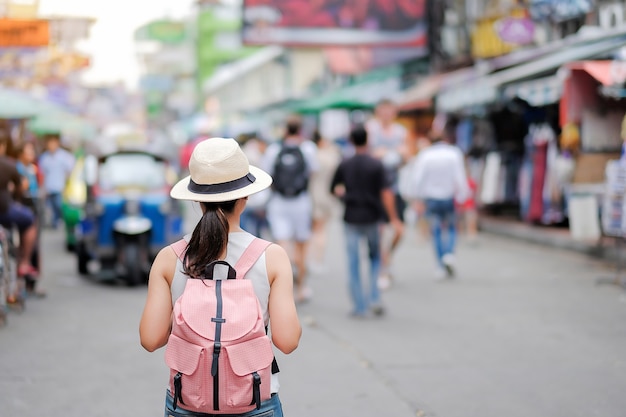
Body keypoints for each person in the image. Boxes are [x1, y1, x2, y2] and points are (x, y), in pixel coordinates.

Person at [139, 137, 301, 417]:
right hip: (255, 402)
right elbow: (287, 341)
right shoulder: (271, 257)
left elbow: (151, 339)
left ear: (197, 200)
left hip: (187, 403)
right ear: (245, 196)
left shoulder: (170, 258)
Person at [331, 125, 403, 318]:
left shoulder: (345, 163)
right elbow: (386, 192)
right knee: (374, 258)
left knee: (353, 261)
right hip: (372, 216)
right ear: (367, 140)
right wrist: (393, 217)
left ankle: (359, 305)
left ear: (352, 141)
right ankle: (374, 297)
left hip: (351, 216)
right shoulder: (376, 164)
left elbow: (334, 187)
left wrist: (343, 195)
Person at [262, 115, 318, 303]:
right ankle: (302, 287)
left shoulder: (274, 149)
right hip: (301, 201)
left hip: (279, 202)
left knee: (281, 245)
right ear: (301, 130)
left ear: (285, 129)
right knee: (302, 246)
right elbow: (313, 172)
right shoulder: (308, 148)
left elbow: (267, 175)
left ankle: (284, 289)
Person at [407, 118, 470, 279]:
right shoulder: (453, 153)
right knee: (450, 227)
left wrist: (417, 197)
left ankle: (440, 264)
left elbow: (417, 179)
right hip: (448, 196)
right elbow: (460, 177)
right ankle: (449, 254)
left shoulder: (425, 155)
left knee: (435, 230)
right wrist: (463, 195)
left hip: (431, 198)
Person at [365, 99, 410, 290]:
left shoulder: (401, 132)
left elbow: (408, 157)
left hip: (394, 188)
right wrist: (376, 154)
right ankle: (382, 269)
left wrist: (401, 153)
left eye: (389, 110)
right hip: (374, 190)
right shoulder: (370, 130)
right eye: (383, 110)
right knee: (380, 231)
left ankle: (387, 258)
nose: (386, 114)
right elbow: (363, 155)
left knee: (399, 230)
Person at [0, 135, 39, 279]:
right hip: (4, 210)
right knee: (29, 220)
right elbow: (19, 188)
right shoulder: (8, 165)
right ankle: (24, 262)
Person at [308, 129, 341, 273]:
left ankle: (309, 259)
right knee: (322, 230)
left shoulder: (312, 156)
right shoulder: (331, 156)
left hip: (313, 195)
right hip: (328, 196)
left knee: (314, 230)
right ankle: (318, 260)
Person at [38, 134, 75, 229]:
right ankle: (54, 222)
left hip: (59, 186)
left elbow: (70, 168)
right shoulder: (44, 157)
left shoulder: (64, 156)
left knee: (58, 206)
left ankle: (57, 221)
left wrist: (67, 181)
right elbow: (43, 174)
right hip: (49, 187)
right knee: (50, 207)